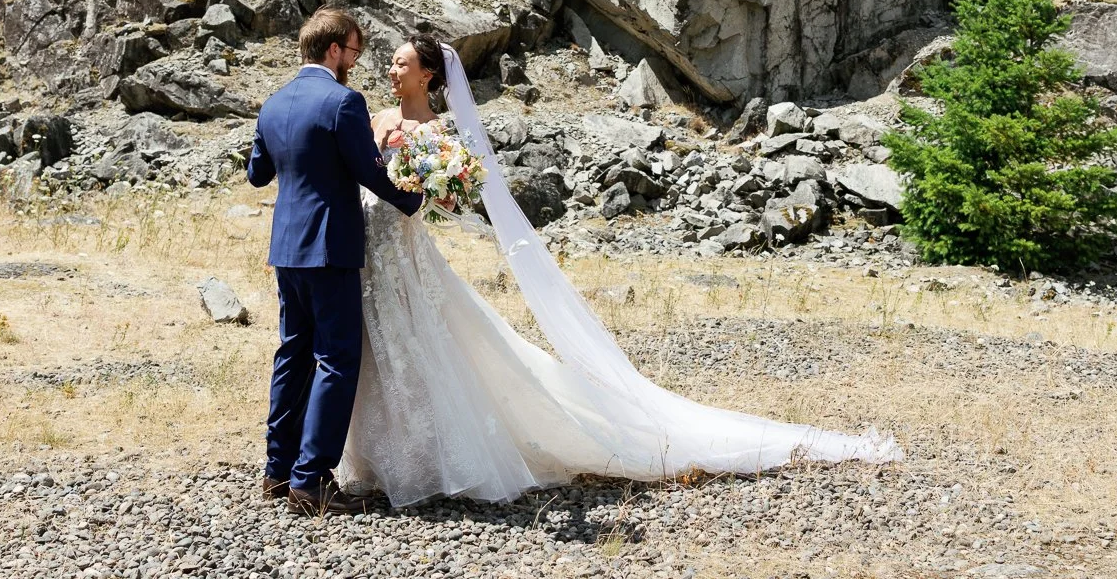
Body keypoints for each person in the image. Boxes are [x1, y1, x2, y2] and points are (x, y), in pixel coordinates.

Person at [335, 31, 899, 508]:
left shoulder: (438, 134)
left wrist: (425, 187)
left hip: (404, 248)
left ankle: (427, 463)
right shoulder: (377, 116)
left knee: (419, 346)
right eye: (391, 62)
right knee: (377, 349)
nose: (391, 68)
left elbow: (448, 202)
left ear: (428, 75)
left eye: (401, 63)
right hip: (365, 247)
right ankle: (379, 460)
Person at [246, 7, 425, 516]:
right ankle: (312, 479)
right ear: (332, 50)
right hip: (329, 248)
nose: (355, 61)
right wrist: (415, 201)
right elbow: (369, 171)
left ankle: (277, 472)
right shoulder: (343, 102)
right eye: (353, 51)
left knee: (293, 355)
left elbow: (258, 173)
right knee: (336, 359)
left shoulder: (274, 103)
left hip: (287, 249)